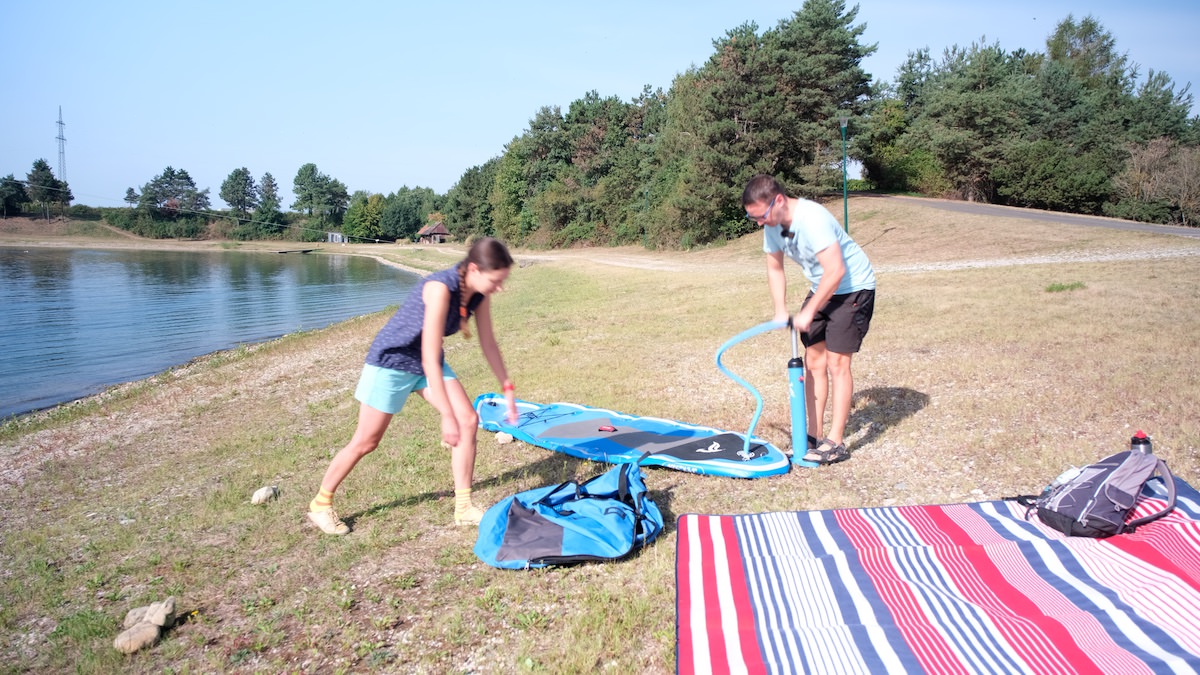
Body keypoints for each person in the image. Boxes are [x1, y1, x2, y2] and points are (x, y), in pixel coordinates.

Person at [307, 237, 520, 535]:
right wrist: (445, 415)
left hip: (425, 362)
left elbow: (488, 343)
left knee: (468, 419)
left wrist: (507, 387)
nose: (500, 287)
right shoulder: (439, 288)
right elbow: (429, 357)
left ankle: (463, 507)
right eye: (496, 280)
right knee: (367, 441)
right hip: (391, 362)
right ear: (474, 268)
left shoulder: (478, 295)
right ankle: (321, 504)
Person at [742, 175, 876, 465]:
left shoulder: (813, 218)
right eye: (753, 219)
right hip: (821, 287)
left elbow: (837, 270)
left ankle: (835, 442)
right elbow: (775, 268)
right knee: (813, 362)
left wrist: (808, 311)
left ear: (778, 200)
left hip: (853, 288)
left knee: (837, 363)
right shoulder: (772, 225)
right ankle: (812, 437)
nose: (760, 223)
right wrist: (780, 309)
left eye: (761, 216)